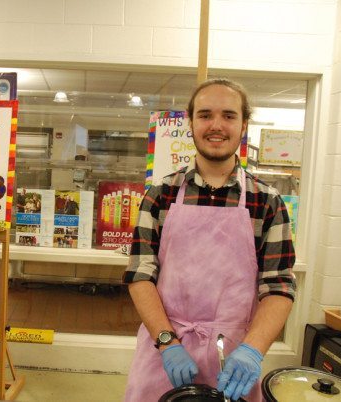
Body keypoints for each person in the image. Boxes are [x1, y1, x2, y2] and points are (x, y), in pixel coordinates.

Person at [123, 78, 296, 401]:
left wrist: (253, 351)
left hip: (233, 358)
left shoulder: (268, 202)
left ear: (244, 124)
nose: (216, 125)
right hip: (163, 350)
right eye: (205, 115)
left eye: (229, 116)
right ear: (190, 123)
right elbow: (140, 274)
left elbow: (279, 287)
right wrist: (167, 341)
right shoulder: (161, 195)